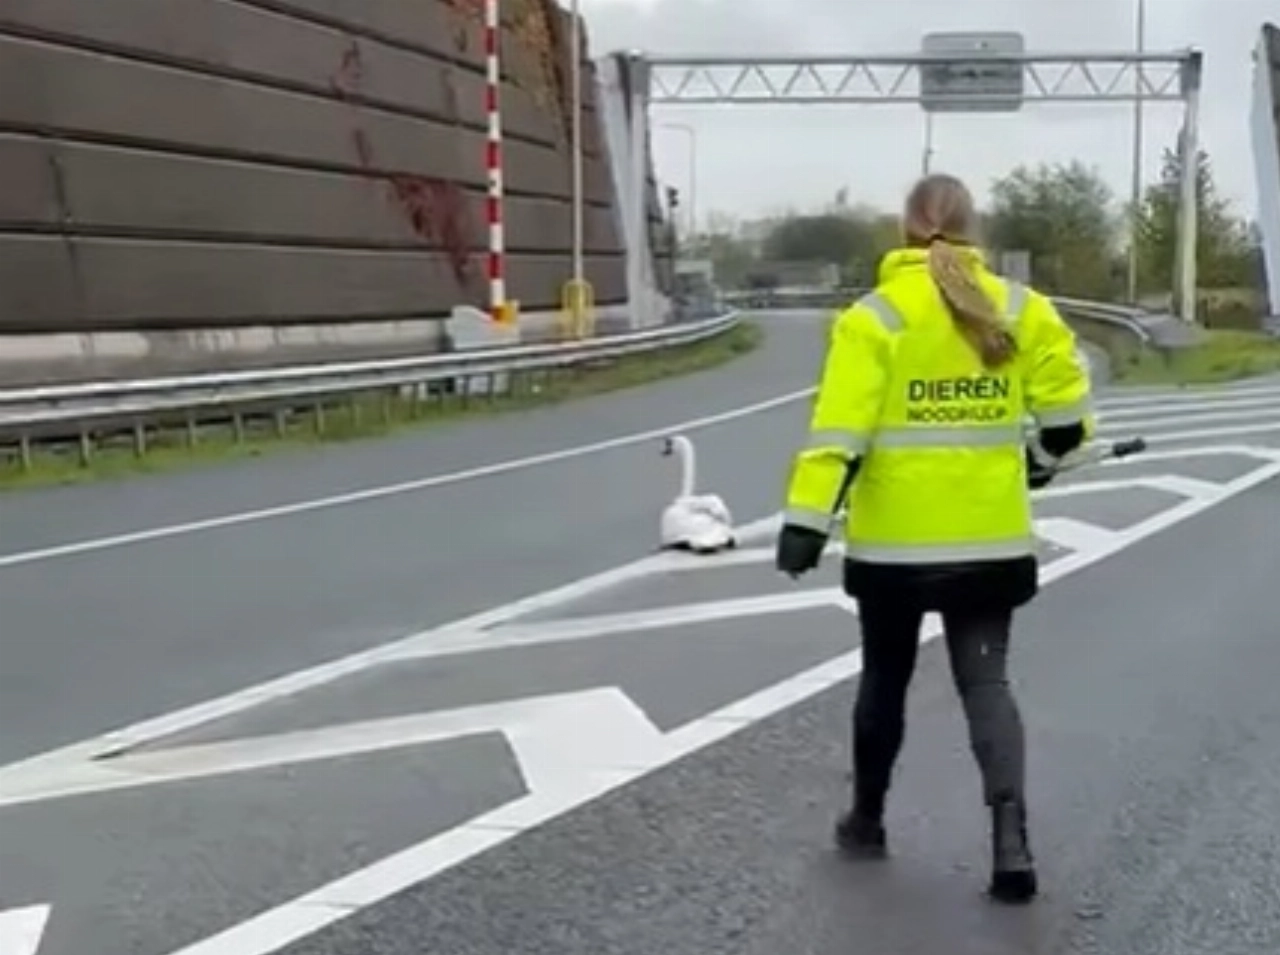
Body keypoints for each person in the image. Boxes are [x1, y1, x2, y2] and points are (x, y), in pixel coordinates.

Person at [774, 172, 1094, 904]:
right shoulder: (1023, 308)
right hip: (990, 543)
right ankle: (1010, 841)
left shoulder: (874, 318)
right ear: (973, 228)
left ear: (904, 229)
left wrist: (806, 522)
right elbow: (1067, 420)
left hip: (895, 551)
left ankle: (867, 818)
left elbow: (838, 434)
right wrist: (1041, 463)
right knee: (986, 681)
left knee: (884, 677)